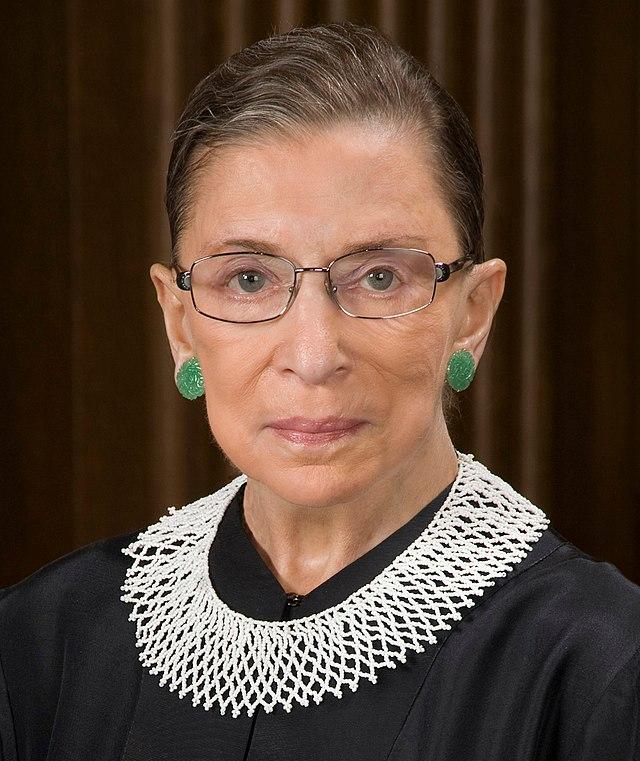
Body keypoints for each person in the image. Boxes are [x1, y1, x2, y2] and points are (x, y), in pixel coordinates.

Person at [1, 20, 639, 761]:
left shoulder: (601, 674)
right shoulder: (40, 647)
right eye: (248, 278)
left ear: (473, 313)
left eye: (380, 276)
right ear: (180, 322)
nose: (313, 356)